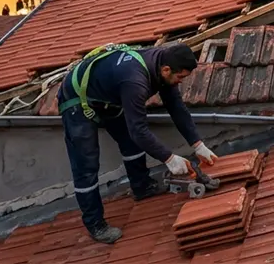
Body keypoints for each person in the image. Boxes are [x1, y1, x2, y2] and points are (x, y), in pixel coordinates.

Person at [58, 43, 218, 244]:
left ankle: (142, 187)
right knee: (86, 165)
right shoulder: (135, 80)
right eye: (181, 77)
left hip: (108, 97)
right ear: (166, 70)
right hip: (76, 100)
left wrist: (198, 145)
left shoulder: (163, 67)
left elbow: (176, 108)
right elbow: (139, 130)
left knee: (130, 144)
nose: (181, 81)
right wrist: (169, 158)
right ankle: (95, 224)